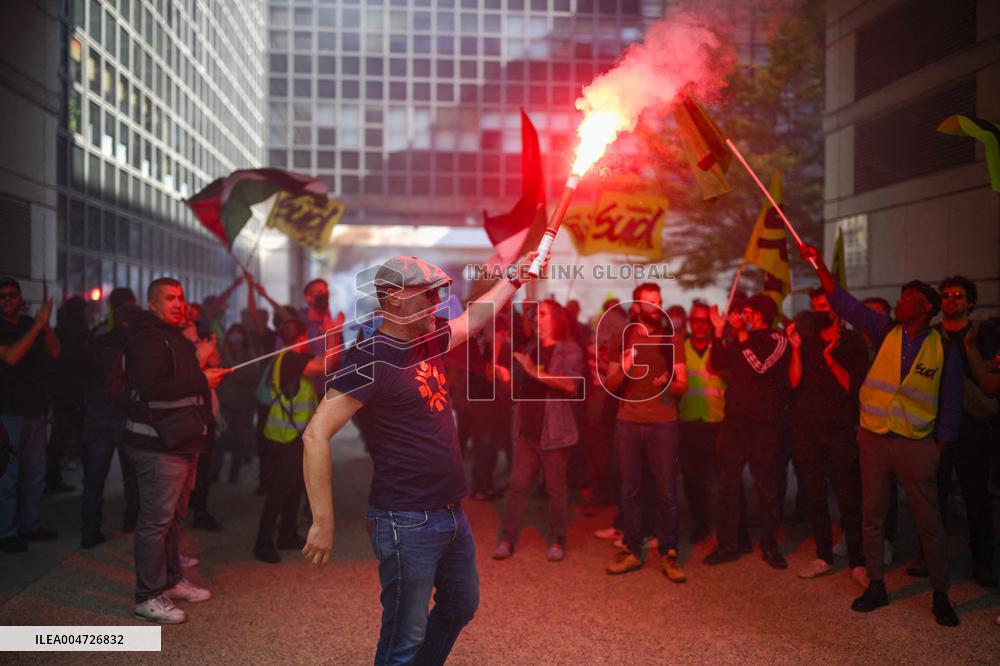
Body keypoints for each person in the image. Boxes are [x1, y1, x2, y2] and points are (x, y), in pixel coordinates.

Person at [301, 252, 541, 664]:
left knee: (461, 604)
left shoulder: (426, 338)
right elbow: (316, 434)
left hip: (451, 512)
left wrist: (514, 279)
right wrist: (322, 522)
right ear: (393, 298)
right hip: (404, 519)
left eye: (439, 293)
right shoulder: (369, 357)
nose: (438, 302)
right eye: (429, 294)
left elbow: (472, 320)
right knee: (403, 639)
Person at [801, 243, 962, 627]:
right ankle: (876, 584)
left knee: (929, 523)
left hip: (916, 446)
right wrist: (818, 264)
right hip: (873, 440)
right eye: (902, 297)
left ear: (926, 308)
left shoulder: (945, 348)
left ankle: (941, 594)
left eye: (909, 299)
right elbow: (844, 304)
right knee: (872, 516)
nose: (901, 302)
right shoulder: (884, 330)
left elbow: (951, 402)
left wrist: (939, 448)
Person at [123, 277, 229, 624]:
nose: (178, 304)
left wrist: (199, 364)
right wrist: (202, 378)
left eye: (181, 297)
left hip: (181, 440)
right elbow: (153, 387)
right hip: (157, 443)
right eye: (170, 298)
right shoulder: (147, 338)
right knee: (156, 522)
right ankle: (148, 595)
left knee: (172, 519)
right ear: (152, 304)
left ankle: (170, 581)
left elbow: (180, 379)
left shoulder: (172, 335)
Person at [602, 284, 688, 582]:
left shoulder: (671, 339)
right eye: (651, 302)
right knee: (630, 490)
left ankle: (669, 552)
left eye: (660, 301)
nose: (657, 307)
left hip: (662, 423)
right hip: (628, 421)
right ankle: (631, 549)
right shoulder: (621, 339)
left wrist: (667, 382)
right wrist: (625, 366)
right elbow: (610, 385)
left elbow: (682, 384)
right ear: (636, 307)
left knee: (666, 492)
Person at [786, 288, 869, 585]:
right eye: (815, 306)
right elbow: (794, 382)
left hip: (839, 430)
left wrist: (831, 357)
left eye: (824, 306)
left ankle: (859, 561)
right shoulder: (806, 341)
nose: (819, 311)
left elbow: (852, 388)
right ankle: (823, 555)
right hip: (806, 429)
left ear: (837, 309)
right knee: (815, 495)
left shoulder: (851, 343)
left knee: (848, 497)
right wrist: (795, 349)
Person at [492, 299, 583, 562]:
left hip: (554, 433)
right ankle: (507, 539)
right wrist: (508, 380)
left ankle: (557, 539)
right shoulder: (531, 349)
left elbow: (569, 385)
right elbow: (520, 392)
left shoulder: (569, 349)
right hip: (526, 433)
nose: (536, 319)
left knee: (556, 489)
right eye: (535, 315)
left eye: (542, 314)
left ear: (556, 318)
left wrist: (533, 371)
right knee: (516, 487)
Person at [704, 293, 791, 570]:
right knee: (727, 486)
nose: (744, 317)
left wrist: (741, 336)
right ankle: (727, 544)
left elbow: (761, 368)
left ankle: (769, 545)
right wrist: (719, 332)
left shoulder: (777, 340)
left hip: (763, 425)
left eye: (750, 312)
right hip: (734, 424)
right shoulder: (743, 339)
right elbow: (717, 362)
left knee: (766, 487)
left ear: (763, 314)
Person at [929, 276, 996, 588]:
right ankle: (928, 557)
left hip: (973, 426)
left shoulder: (986, 334)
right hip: (937, 424)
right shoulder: (932, 336)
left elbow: (989, 383)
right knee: (933, 494)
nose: (950, 299)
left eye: (958, 295)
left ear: (970, 301)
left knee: (976, 496)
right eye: (946, 295)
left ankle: (982, 561)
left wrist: (969, 347)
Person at [254, 318, 323, 563]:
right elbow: (326, 365)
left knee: (294, 486)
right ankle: (262, 543)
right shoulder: (293, 359)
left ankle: (286, 534)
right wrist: (333, 333)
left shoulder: (284, 357)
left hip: (290, 433)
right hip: (285, 435)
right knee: (279, 490)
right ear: (303, 337)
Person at [0, 278, 60, 552]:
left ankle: (30, 525)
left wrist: (44, 326)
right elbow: (11, 356)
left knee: (35, 473)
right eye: (2, 297)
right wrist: (37, 326)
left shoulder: (28, 324)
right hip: (8, 412)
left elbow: (56, 353)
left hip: (36, 409)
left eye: (12, 295)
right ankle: (6, 532)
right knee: (8, 475)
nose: (8, 300)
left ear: (20, 298)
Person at [80, 290, 141, 547]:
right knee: (133, 475)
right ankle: (132, 520)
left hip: (97, 413)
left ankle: (90, 530)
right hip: (126, 414)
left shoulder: (97, 335)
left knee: (94, 478)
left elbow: (84, 369)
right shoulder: (137, 339)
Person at [677, 300, 725, 544]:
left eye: (704, 321)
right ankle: (700, 526)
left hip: (717, 421)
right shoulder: (680, 349)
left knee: (726, 480)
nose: (699, 326)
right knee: (693, 480)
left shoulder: (721, 348)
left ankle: (728, 529)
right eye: (694, 320)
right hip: (689, 422)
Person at [215, 324, 260, 484]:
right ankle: (214, 474)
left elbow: (252, 378)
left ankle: (234, 474)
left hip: (243, 407)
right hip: (224, 406)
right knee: (219, 443)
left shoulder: (249, 355)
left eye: (238, 337)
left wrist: (231, 367)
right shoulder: (219, 354)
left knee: (239, 442)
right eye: (232, 337)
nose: (235, 341)